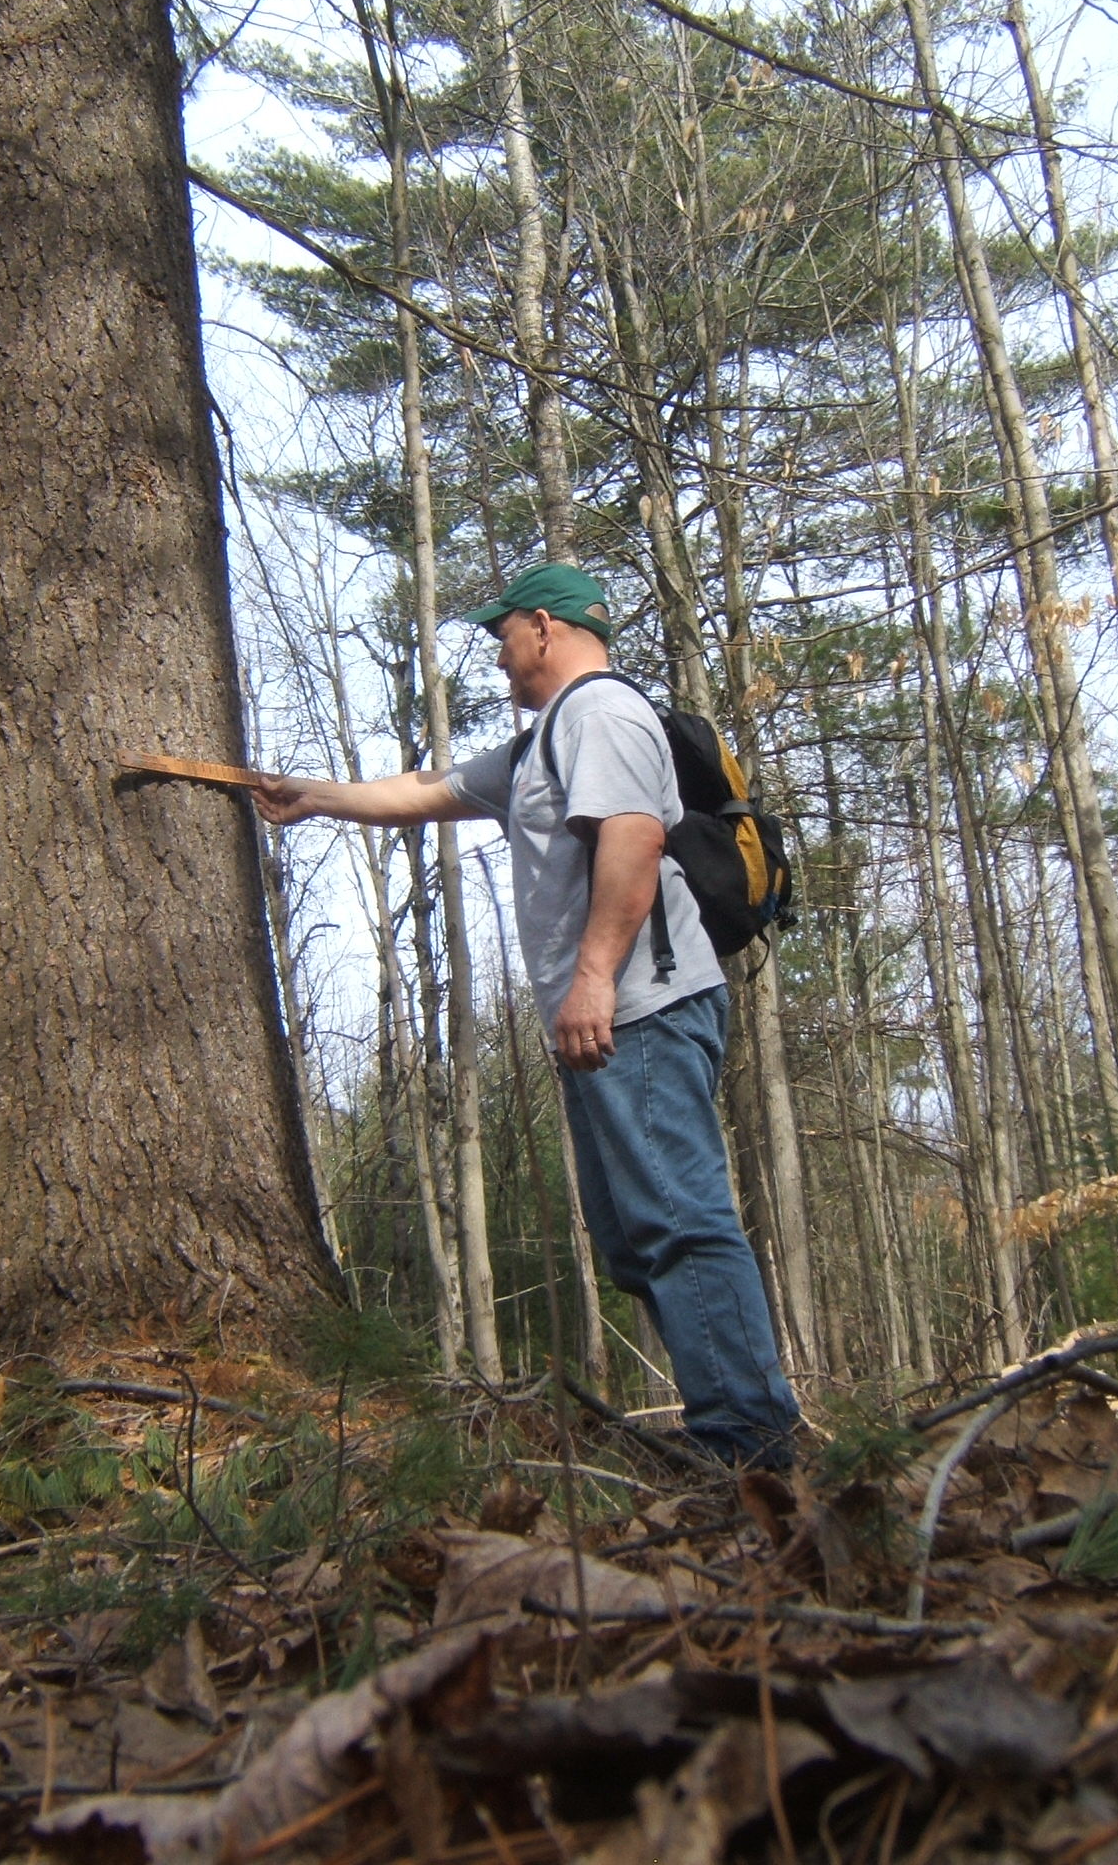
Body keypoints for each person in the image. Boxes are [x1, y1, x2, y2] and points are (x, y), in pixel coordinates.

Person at [252, 561, 800, 1469]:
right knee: (633, 1238)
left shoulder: (602, 714)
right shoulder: (545, 741)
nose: (498, 659)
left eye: (503, 636)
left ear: (542, 627)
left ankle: (751, 1443)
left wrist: (592, 980)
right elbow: (432, 790)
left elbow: (633, 836)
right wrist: (314, 798)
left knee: (679, 1221)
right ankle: (739, 1426)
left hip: (641, 1007)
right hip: (610, 1019)